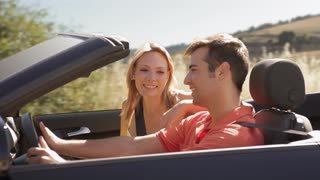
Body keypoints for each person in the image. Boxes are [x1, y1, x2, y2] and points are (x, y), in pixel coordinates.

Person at [27, 33, 264, 164]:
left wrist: (64, 169)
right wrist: (61, 145)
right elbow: (131, 146)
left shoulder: (232, 138)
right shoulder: (199, 121)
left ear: (221, 72)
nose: (186, 80)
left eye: (194, 70)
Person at [120, 42, 192, 136]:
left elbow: (216, 102)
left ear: (168, 75)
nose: (152, 78)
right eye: (144, 70)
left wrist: (183, 105)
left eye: (160, 72)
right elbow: (124, 146)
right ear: (133, 73)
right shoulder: (128, 106)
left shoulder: (183, 100)